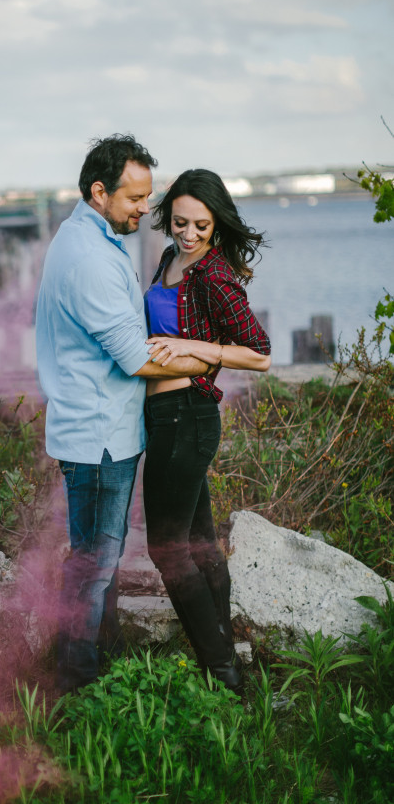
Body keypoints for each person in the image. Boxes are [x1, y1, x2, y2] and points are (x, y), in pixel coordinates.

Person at [35, 135, 209, 693]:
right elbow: (135, 359)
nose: (145, 209)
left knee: (93, 560)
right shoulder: (88, 258)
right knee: (96, 564)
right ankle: (77, 681)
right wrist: (212, 358)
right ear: (99, 191)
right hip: (100, 437)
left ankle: (92, 663)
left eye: (148, 195)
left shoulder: (90, 237)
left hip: (95, 431)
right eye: (135, 198)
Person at [143, 168, 271, 693]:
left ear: (216, 226)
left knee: (165, 548)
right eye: (179, 223)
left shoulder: (216, 276)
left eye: (199, 226)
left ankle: (222, 677)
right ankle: (229, 656)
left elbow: (259, 355)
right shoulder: (170, 259)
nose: (188, 235)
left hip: (189, 417)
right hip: (162, 418)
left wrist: (203, 350)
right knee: (197, 543)